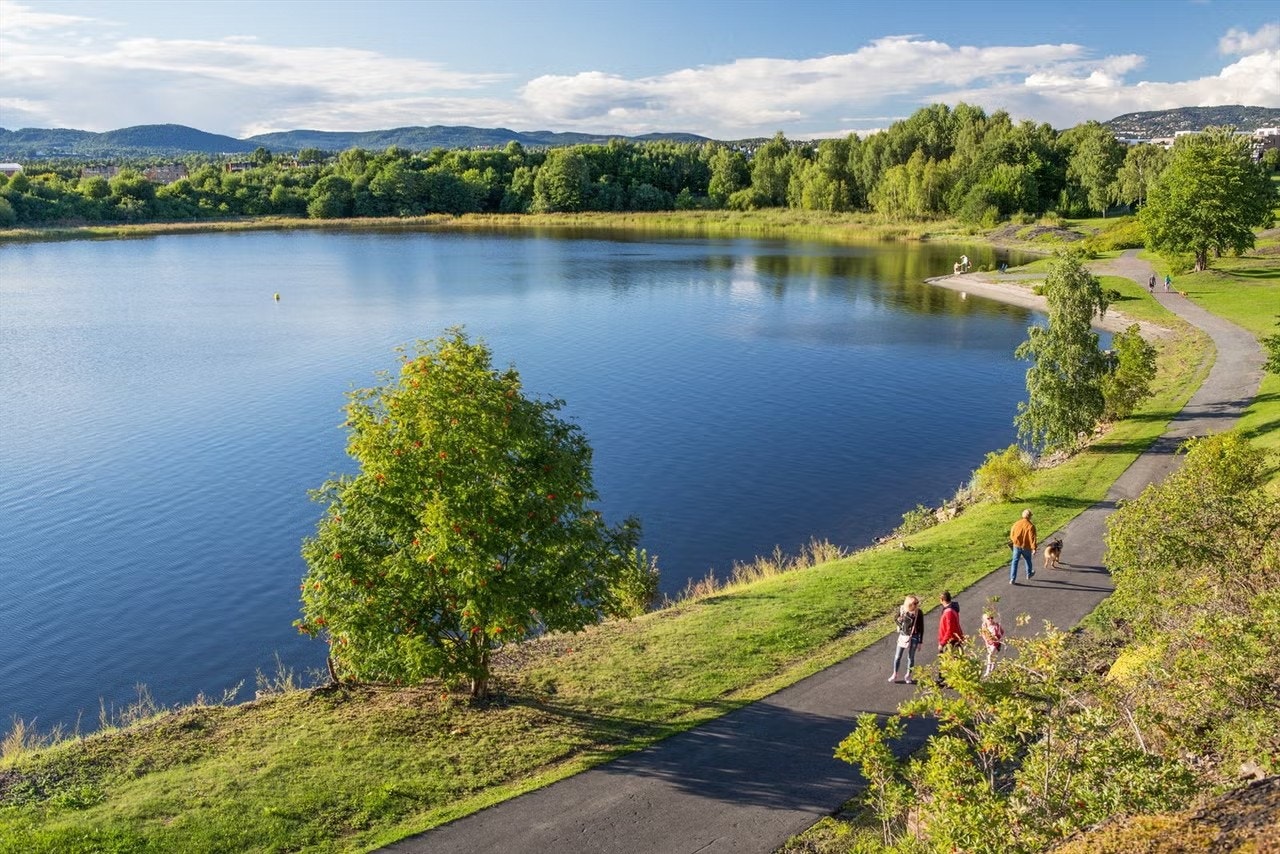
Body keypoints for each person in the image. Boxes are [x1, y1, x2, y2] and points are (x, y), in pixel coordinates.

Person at [889, 595, 925, 683]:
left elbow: (921, 627)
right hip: (903, 635)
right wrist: (900, 623)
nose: (916, 605)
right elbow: (895, 618)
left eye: (917, 603)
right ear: (909, 604)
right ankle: (895, 674)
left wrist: (920, 642)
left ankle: (908, 675)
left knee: (911, 657)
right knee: (897, 656)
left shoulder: (918, 612)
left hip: (914, 636)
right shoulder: (902, 610)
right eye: (914, 603)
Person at [1009, 508, 1037, 584]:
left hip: (1016, 546)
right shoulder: (1031, 526)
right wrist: (1034, 548)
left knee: (1015, 561)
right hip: (1026, 547)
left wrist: (1014, 541)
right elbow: (1032, 538)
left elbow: (1012, 534)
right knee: (1028, 560)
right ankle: (1029, 574)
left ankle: (1012, 579)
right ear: (1030, 516)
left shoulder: (1016, 523)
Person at [979, 610, 1004, 677]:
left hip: (995, 643)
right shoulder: (984, 625)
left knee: (989, 656)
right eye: (988, 618)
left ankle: (988, 671)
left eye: (992, 618)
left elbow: (1001, 632)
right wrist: (986, 640)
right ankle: (993, 668)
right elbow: (983, 634)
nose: (990, 619)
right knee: (993, 656)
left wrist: (997, 637)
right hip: (988, 643)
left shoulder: (996, 626)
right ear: (985, 619)